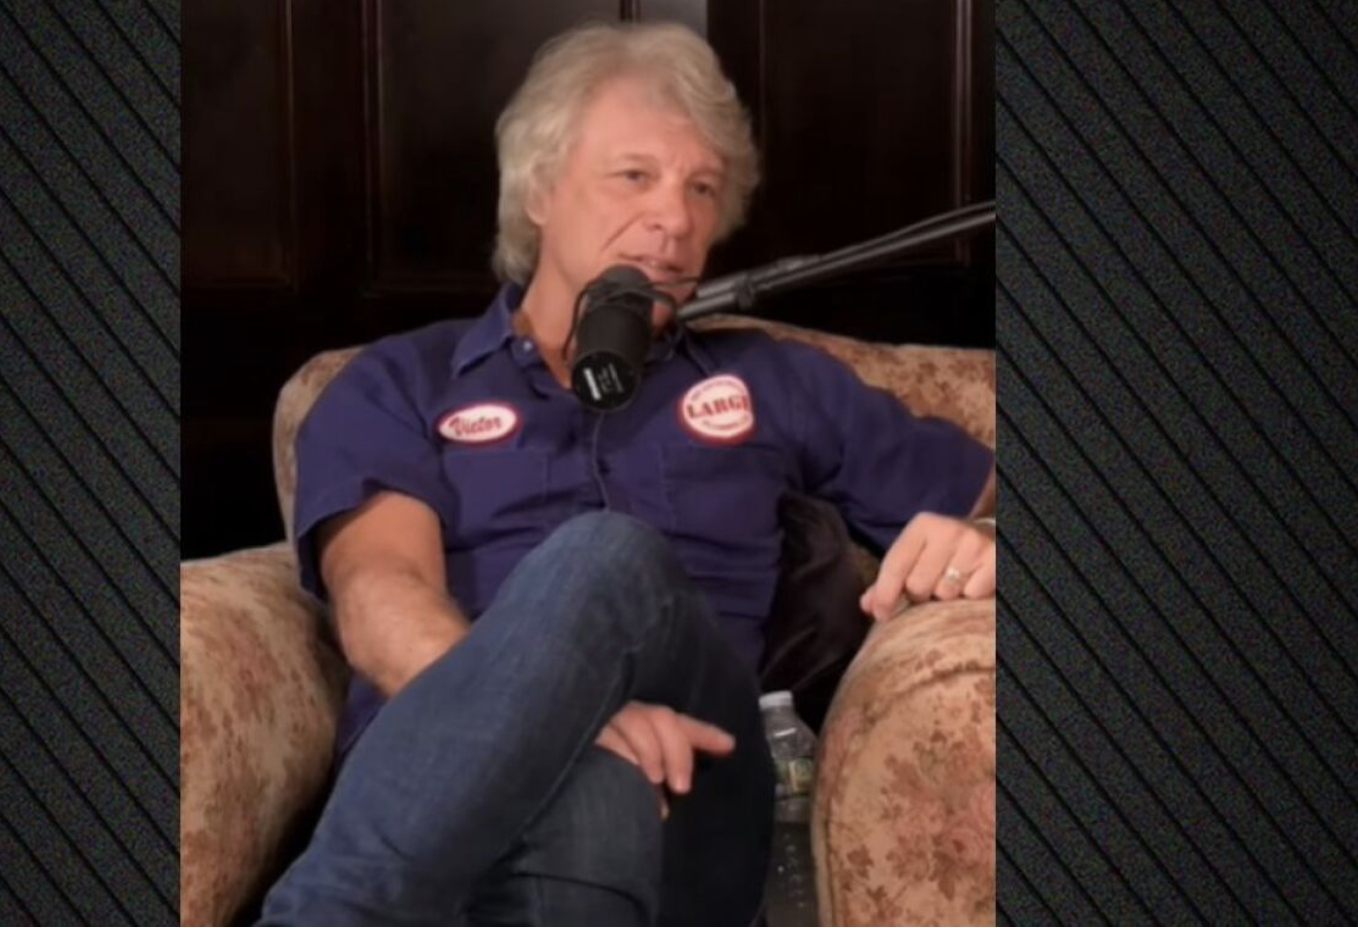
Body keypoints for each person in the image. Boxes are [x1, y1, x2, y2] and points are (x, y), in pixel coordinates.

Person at [259, 20, 995, 926]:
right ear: (539, 189)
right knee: (596, 785)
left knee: (606, 554)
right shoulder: (403, 382)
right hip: (433, 807)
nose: (675, 221)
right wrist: (563, 726)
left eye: (701, 189)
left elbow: (1020, 506)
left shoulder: (773, 380)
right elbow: (382, 595)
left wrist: (983, 540)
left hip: (700, 793)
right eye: (635, 176)